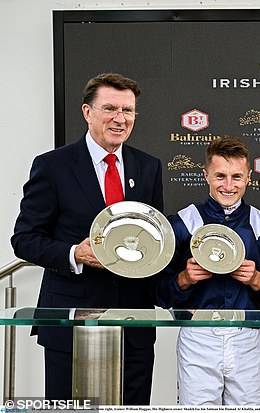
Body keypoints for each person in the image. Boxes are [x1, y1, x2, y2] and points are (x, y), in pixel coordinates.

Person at [11, 73, 163, 403]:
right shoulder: (53, 166)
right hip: (71, 323)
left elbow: (155, 240)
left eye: (128, 110)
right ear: (87, 112)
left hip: (133, 325)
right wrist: (73, 254)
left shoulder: (148, 167)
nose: (120, 119)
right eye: (110, 108)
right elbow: (24, 238)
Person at [154, 136, 260, 405]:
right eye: (220, 176)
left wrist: (257, 279)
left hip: (246, 337)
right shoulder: (182, 223)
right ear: (206, 175)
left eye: (237, 177)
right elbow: (158, 293)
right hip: (198, 337)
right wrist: (184, 278)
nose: (229, 186)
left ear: (249, 176)